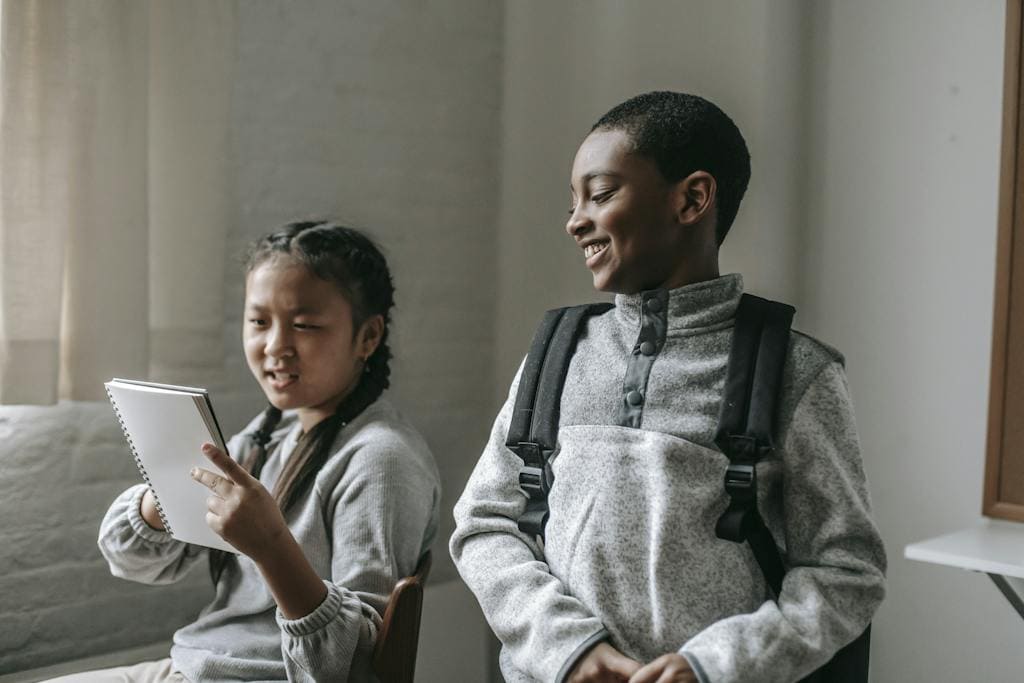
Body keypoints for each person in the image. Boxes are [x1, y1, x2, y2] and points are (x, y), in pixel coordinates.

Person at [449, 91, 886, 683]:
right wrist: (569, 649)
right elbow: (485, 524)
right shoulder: (555, 355)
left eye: (600, 195)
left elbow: (844, 571)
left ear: (693, 199)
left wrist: (711, 666)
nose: (575, 220)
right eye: (574, 201)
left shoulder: (796, 371)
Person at [62, 222, 441, 682]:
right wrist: (161, 495)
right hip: (196, 665)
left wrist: (271, 545)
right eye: (259, 322)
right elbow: (128, 561)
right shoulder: (268, 437)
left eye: (304, 325)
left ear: (368, 336)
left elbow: (354, 667)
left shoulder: (381, 459)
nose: (276, 345)